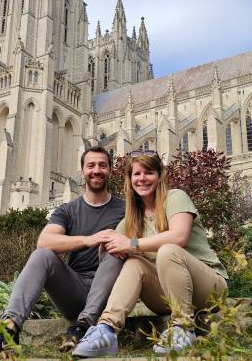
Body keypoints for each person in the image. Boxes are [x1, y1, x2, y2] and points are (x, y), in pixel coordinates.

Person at [72, 150, 228, 358]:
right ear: (129, 180)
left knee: (168, 250)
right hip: (165, 297)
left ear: (159, 176)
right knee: (133, 263)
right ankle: (106, 330)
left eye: (149, 172)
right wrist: (110, 246)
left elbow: (178, 236)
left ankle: (182, 328)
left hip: (209, 289)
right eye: (136, 174)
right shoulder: (131, 220)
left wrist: (131, 244)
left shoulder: (175, 198)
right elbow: (110, 252)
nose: (142, 178)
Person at [0, 147, 125, 357]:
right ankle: (9, 329)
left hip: (110, 293)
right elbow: (44, 241)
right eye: (91, 165)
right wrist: (89, 240)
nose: (97, 170)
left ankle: (83, 327)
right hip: (75, 290)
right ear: (82, 172)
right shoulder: (67, 210)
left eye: (103, 165)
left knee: (116, 249)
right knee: (42, 255)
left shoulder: (126, 208)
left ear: (110, 171)